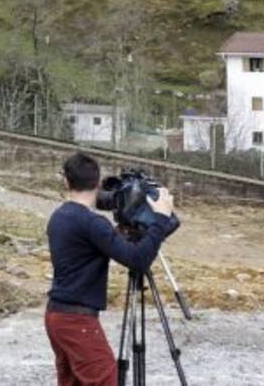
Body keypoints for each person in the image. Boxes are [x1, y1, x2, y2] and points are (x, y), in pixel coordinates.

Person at [45, 152, 177, 386]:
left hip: (56, 316)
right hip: (78, 321)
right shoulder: (92, 223)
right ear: (97, 183)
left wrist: (122, 233)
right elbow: (138, 260)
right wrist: (160, 219)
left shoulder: (60, 216)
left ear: (65, 181)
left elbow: (91, 247)